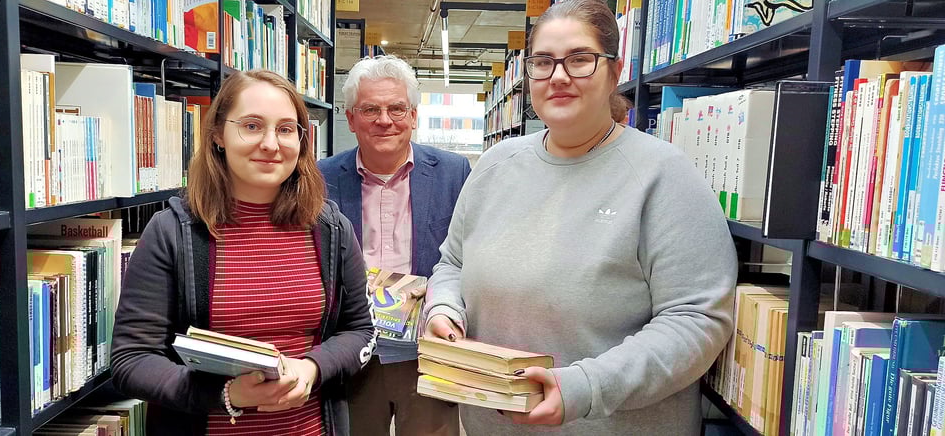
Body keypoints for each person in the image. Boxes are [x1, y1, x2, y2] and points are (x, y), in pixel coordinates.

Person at [422, 0, 737, 435]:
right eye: (544, 62)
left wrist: (584, 388)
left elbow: (697, 321)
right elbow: (452, 265)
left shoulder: (664, 176)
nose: (559, 76)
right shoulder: (495, 167)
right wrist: (443, 309)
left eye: (580, 60)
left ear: (615, 68)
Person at [111, 69, 376, 436]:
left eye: (286, 129)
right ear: (218, 134)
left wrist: (312, 368)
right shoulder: (172, 232)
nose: (271, 143)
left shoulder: (329, 229)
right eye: (252, 126)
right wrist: (226, 393)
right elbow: (131, 362)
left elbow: (360, 330)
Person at [318, 55, 471, 436]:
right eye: (370, 109)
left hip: (426, 353)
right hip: (352, 354)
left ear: (414, 115)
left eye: (396, 108)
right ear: (351, 118)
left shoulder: (455, 173)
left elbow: (469, 258)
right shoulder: (319, 180)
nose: (384, 120)